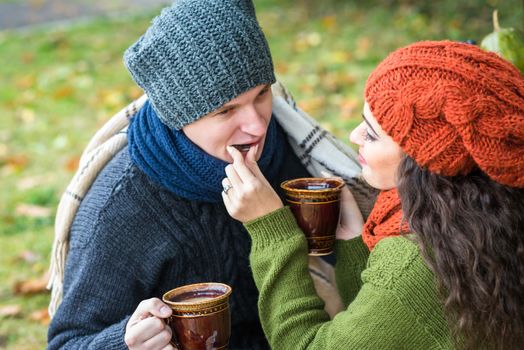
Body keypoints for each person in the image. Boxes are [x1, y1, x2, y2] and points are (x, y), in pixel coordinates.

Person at [46, 0, 372, 348]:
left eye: (262, 93)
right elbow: (67, 341)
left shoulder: (288, 147)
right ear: (178, 116)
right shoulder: (125, 206)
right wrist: (125, 342)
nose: (257, 124)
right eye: (226, 110)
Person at [222, 40, 524, 349]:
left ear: (422, 161)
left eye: (372, 133)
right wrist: (355, 244)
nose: (354, 136)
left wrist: (271, 231)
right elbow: (386, 327)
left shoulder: (414, 259)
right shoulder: (484, 217)